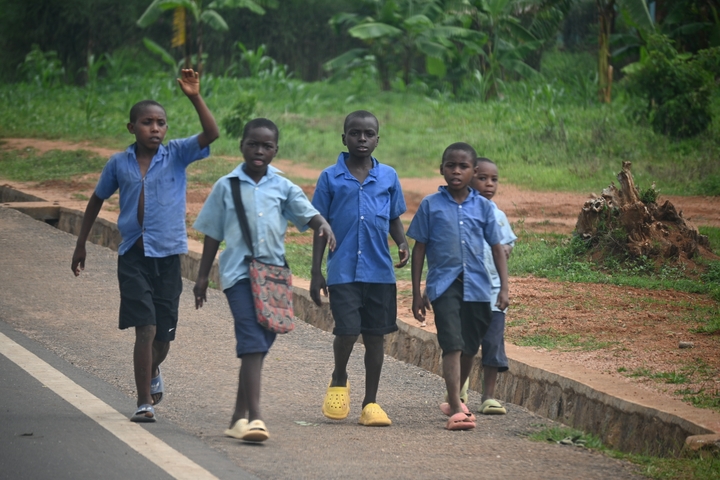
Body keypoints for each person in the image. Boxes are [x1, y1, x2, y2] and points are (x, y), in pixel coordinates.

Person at [71, 69, 219, 423]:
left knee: (163, 338)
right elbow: (95, 200)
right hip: (133, 256)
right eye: (147, 122)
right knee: (146, 328)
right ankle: (143, 402)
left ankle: (153, 371)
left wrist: (194, 96)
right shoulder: (118, 164)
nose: (155, 128)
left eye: (161, 123)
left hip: (168, 257)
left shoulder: (178, 154)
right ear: (132, 128)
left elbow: (212, 133)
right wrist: (81, 245)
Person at [193, 118, 335, 442]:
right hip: (238, 276)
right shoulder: (225, 186)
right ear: (241, 145)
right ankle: (256, 418)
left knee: (262, 343)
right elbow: (212, 234)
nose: (259, 151)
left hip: (274, 277)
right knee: (252, 340)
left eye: (266, 146)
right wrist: (202, 277)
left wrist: (324, 226)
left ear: (275, 150)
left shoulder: (283, 187)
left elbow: (308, 215)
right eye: (253, 144)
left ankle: (236, 418)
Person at [310, 110, 408, 427]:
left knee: (376, 337)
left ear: (378, 139)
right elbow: (320, 226)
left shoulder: (389, 177)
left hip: (380, 271)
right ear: (344, 138)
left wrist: (403, 242)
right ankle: (339, 377)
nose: (362, 139)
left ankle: (370, 403)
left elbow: (394, 217)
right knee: (348, 330)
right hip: (342, 270)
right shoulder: (329, 178)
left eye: (368, 134)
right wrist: (315, 271)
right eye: (355, 133)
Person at [407, 143, 509, 431]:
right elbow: (419, 250)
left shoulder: (484, 208)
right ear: (441, 169)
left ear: (473, 172)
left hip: (478, 286)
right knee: (451, 342)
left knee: (469, 347)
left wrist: (504, 288)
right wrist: (417, 292)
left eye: (463, 166)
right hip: (444, 285)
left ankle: (455, 398)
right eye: (450, 165)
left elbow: (498, 248)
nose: (456, 171)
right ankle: (455, 406)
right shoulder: (430, 205)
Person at [473, 157, 517, 415]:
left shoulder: (498, 215)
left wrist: (507, 248)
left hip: (493, 294)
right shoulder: (464, 212)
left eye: (494, 179)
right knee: (465, 345)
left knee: (493, 344)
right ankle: (459, 392)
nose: (489, 184)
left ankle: (489, 396)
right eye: (483, 179)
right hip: (467, 292)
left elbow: (508, 242)